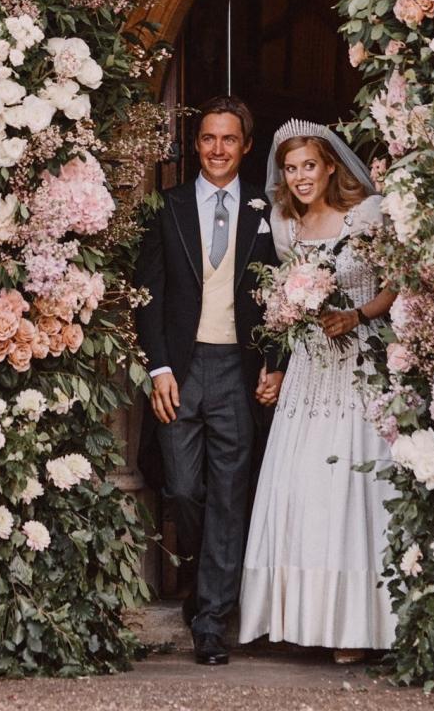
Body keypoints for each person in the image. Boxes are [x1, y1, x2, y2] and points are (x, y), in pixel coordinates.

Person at [238, 120, 399, 664]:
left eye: (309, 165)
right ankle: (300, 617)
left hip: (359, 361)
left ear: (331, 165)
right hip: (309, 368)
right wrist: (278, 358)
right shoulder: (285, 225)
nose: (300, 177)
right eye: (290, 168)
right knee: (303, 483)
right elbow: (285, 309)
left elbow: (395, 284)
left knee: (352, 486)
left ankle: (355, 627)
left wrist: (356, 313)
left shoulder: (367, 215)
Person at [134, 96, 285, 665]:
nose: (217, 150)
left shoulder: (266, 213)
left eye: (229, 140)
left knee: (229, 495)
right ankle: (201, 578)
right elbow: (147, 295)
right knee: (181, 489)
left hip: (237, 371)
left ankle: (211, 621)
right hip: (181, 366)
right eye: (207, 139)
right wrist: (159, 367)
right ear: (195, 145)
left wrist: (273, 362)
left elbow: (282, 299)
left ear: (246, 146)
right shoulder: (167, 207)